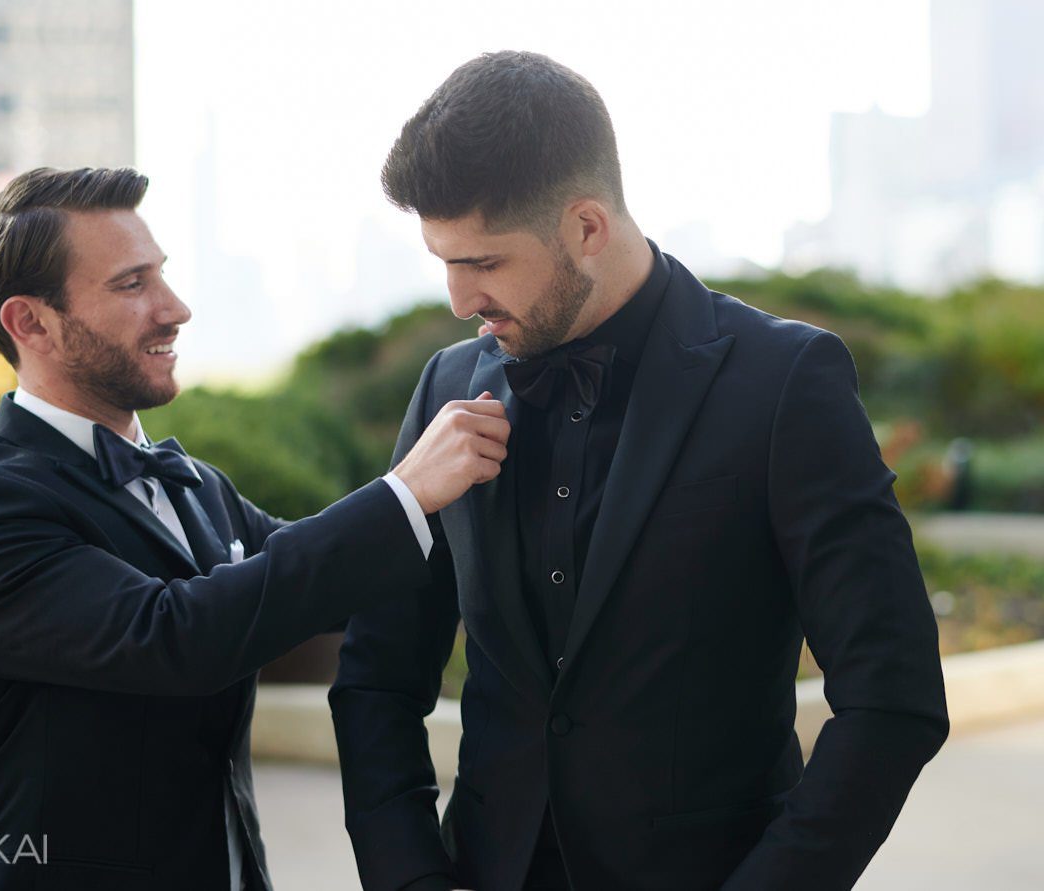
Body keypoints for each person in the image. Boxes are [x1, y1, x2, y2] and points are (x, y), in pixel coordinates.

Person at [330, 51, 949, 891]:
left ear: (587, 227)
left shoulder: (784, 382)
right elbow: (376, 676)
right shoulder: (446, 385)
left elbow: (894, 696)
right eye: (443, 261)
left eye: (482, 263)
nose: (456, 299)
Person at [0, 166, 510, 890]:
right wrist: (406, 489)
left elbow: (325, 588)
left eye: (161, 275)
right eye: (132, 285)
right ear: (30, 322)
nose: (176, 308)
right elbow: (173, 638)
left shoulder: (198, 486)